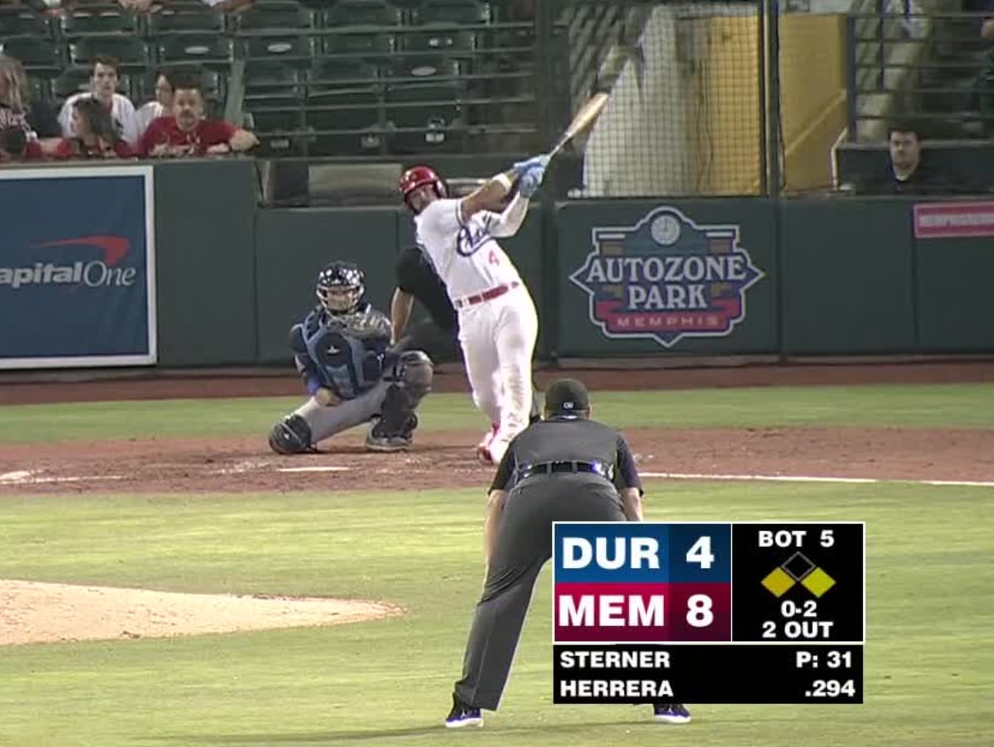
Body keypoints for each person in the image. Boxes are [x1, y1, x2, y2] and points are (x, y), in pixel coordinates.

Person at [443, 378, 690, 729]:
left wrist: (493, 567)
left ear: (545, 413)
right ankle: (665, 700)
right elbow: (631, 500)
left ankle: (467, 707)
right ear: (589, 412)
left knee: (498, 601)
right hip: (593, 498)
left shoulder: (526, 436)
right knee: (630, 598)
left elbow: (496, 501)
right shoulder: (610, 435)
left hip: (531, 501)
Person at [398, 159, 543, 466]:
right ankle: (501, 428)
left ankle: (509, 443)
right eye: (414, 196)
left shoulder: (465, 215)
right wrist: (516, 173)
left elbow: (507, 225)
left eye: (424, 191)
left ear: (437, 188)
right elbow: (483, 197)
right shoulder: (431, 220)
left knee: (515, 374)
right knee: (486, 396)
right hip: (471, 312)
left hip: (510, 299)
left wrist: (524, 196)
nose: (421, 198)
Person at [268, 261, 433, 454]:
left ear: (356, 292)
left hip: (375, 391)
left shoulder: (373, 321)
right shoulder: (306, 330)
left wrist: (366, 334)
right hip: (339, 400)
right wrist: (316, 389)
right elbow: (305, 364)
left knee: (418, 366)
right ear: (324, 293)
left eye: (346, 292)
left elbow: (386, 335)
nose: (340, 298)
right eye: (334, 292)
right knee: (286, 438)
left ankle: (390, 425)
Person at [136, 75, 258, 157]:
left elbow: (250, 139)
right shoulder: (157, 127)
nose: (186, 108)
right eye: (181, 103)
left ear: (201, 107)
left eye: (192, 103)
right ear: (173, 106)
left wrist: (231, 145)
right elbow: (134, 155)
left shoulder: (217, 128)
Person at [0, 56, 65, 155]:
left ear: (11, 81)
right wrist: (16, 146)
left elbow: (57, 143)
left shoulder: (39, 107)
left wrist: (24, 146)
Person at [60, 56, 142, 144]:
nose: (106, 80)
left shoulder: (125, 106)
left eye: (111, 75)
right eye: (100, 75)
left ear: (117, 81)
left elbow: (131, 140)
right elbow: (67, 137)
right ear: (92, 80)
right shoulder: (72, 104)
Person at [67, 96, 136, 159]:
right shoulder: (67, 148)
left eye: (75, 118)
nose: (71, 123)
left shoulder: (120, 148)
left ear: (90, 121)